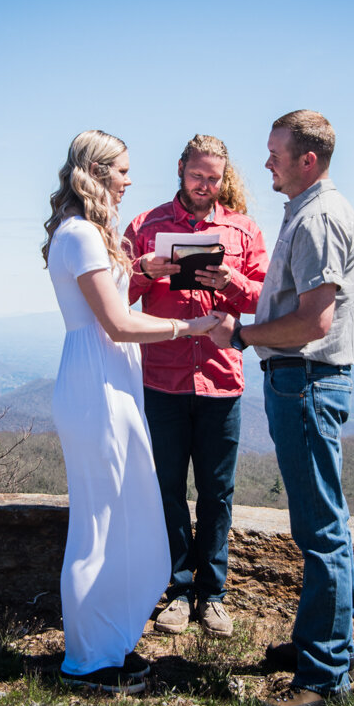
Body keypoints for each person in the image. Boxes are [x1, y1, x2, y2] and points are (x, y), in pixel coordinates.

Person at [41, 130, 218, 694]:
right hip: (97, 377)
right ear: (95, 171)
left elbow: (110, 309)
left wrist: (143, 271)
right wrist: (190, 327)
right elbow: (116, 324)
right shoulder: (80, 236)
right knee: (98, 522)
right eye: (121, 169)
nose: (129, 178)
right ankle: (87, 661)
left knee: (117, 514)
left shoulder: (88, 233)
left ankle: (110, 642)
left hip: (106, 374)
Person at [209, 110, 354, 706]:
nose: (266, 162)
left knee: (321, 530)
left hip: (304, 382)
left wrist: (243, 336)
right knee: (324, 522)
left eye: (275, 152)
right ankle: (319, 647)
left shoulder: (319, 217)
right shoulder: (307, 211)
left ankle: (322, 679)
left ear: (308, 159)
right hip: (302, 382)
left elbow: (313, 322)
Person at [123, 135, 268, 638]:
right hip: (160, 377)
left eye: (214, 178)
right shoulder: (145, 226)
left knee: (217, 492)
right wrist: (145, 270)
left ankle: (213, 595)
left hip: (221, 380)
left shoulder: (243, 228)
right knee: (166, 490)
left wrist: (228, 279)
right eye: (197, 176)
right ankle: (178, 592)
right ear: (181, 169)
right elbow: (114, 291)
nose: (206, 186)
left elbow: (264, 298)